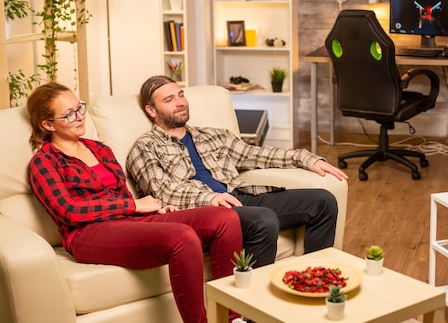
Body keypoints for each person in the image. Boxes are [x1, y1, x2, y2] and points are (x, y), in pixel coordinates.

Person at [27, 82, 243, 323]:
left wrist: (156, 209)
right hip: (87, 233)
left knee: (225, 218)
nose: (79, 117)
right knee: (182, 236)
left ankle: (231, 318)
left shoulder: (100, 149)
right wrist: (135, 206)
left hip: (130, 221)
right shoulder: (44, 162)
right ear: (47, 124)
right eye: (69, 114)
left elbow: (122, 195)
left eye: (79, 108)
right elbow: (69, 211)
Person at [126, 75, 348, 267]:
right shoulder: (145, 147)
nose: (180, 102)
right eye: (169, 99)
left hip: (238, 197)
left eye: (181, 95)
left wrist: (305, 158)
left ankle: (315, 280)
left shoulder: (212, 135)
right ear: (151, 110)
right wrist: (210, 197)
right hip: (202, 211)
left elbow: (256, 155)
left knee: (323, 201)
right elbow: (162, 192)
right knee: (263, 219)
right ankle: (253, 310)